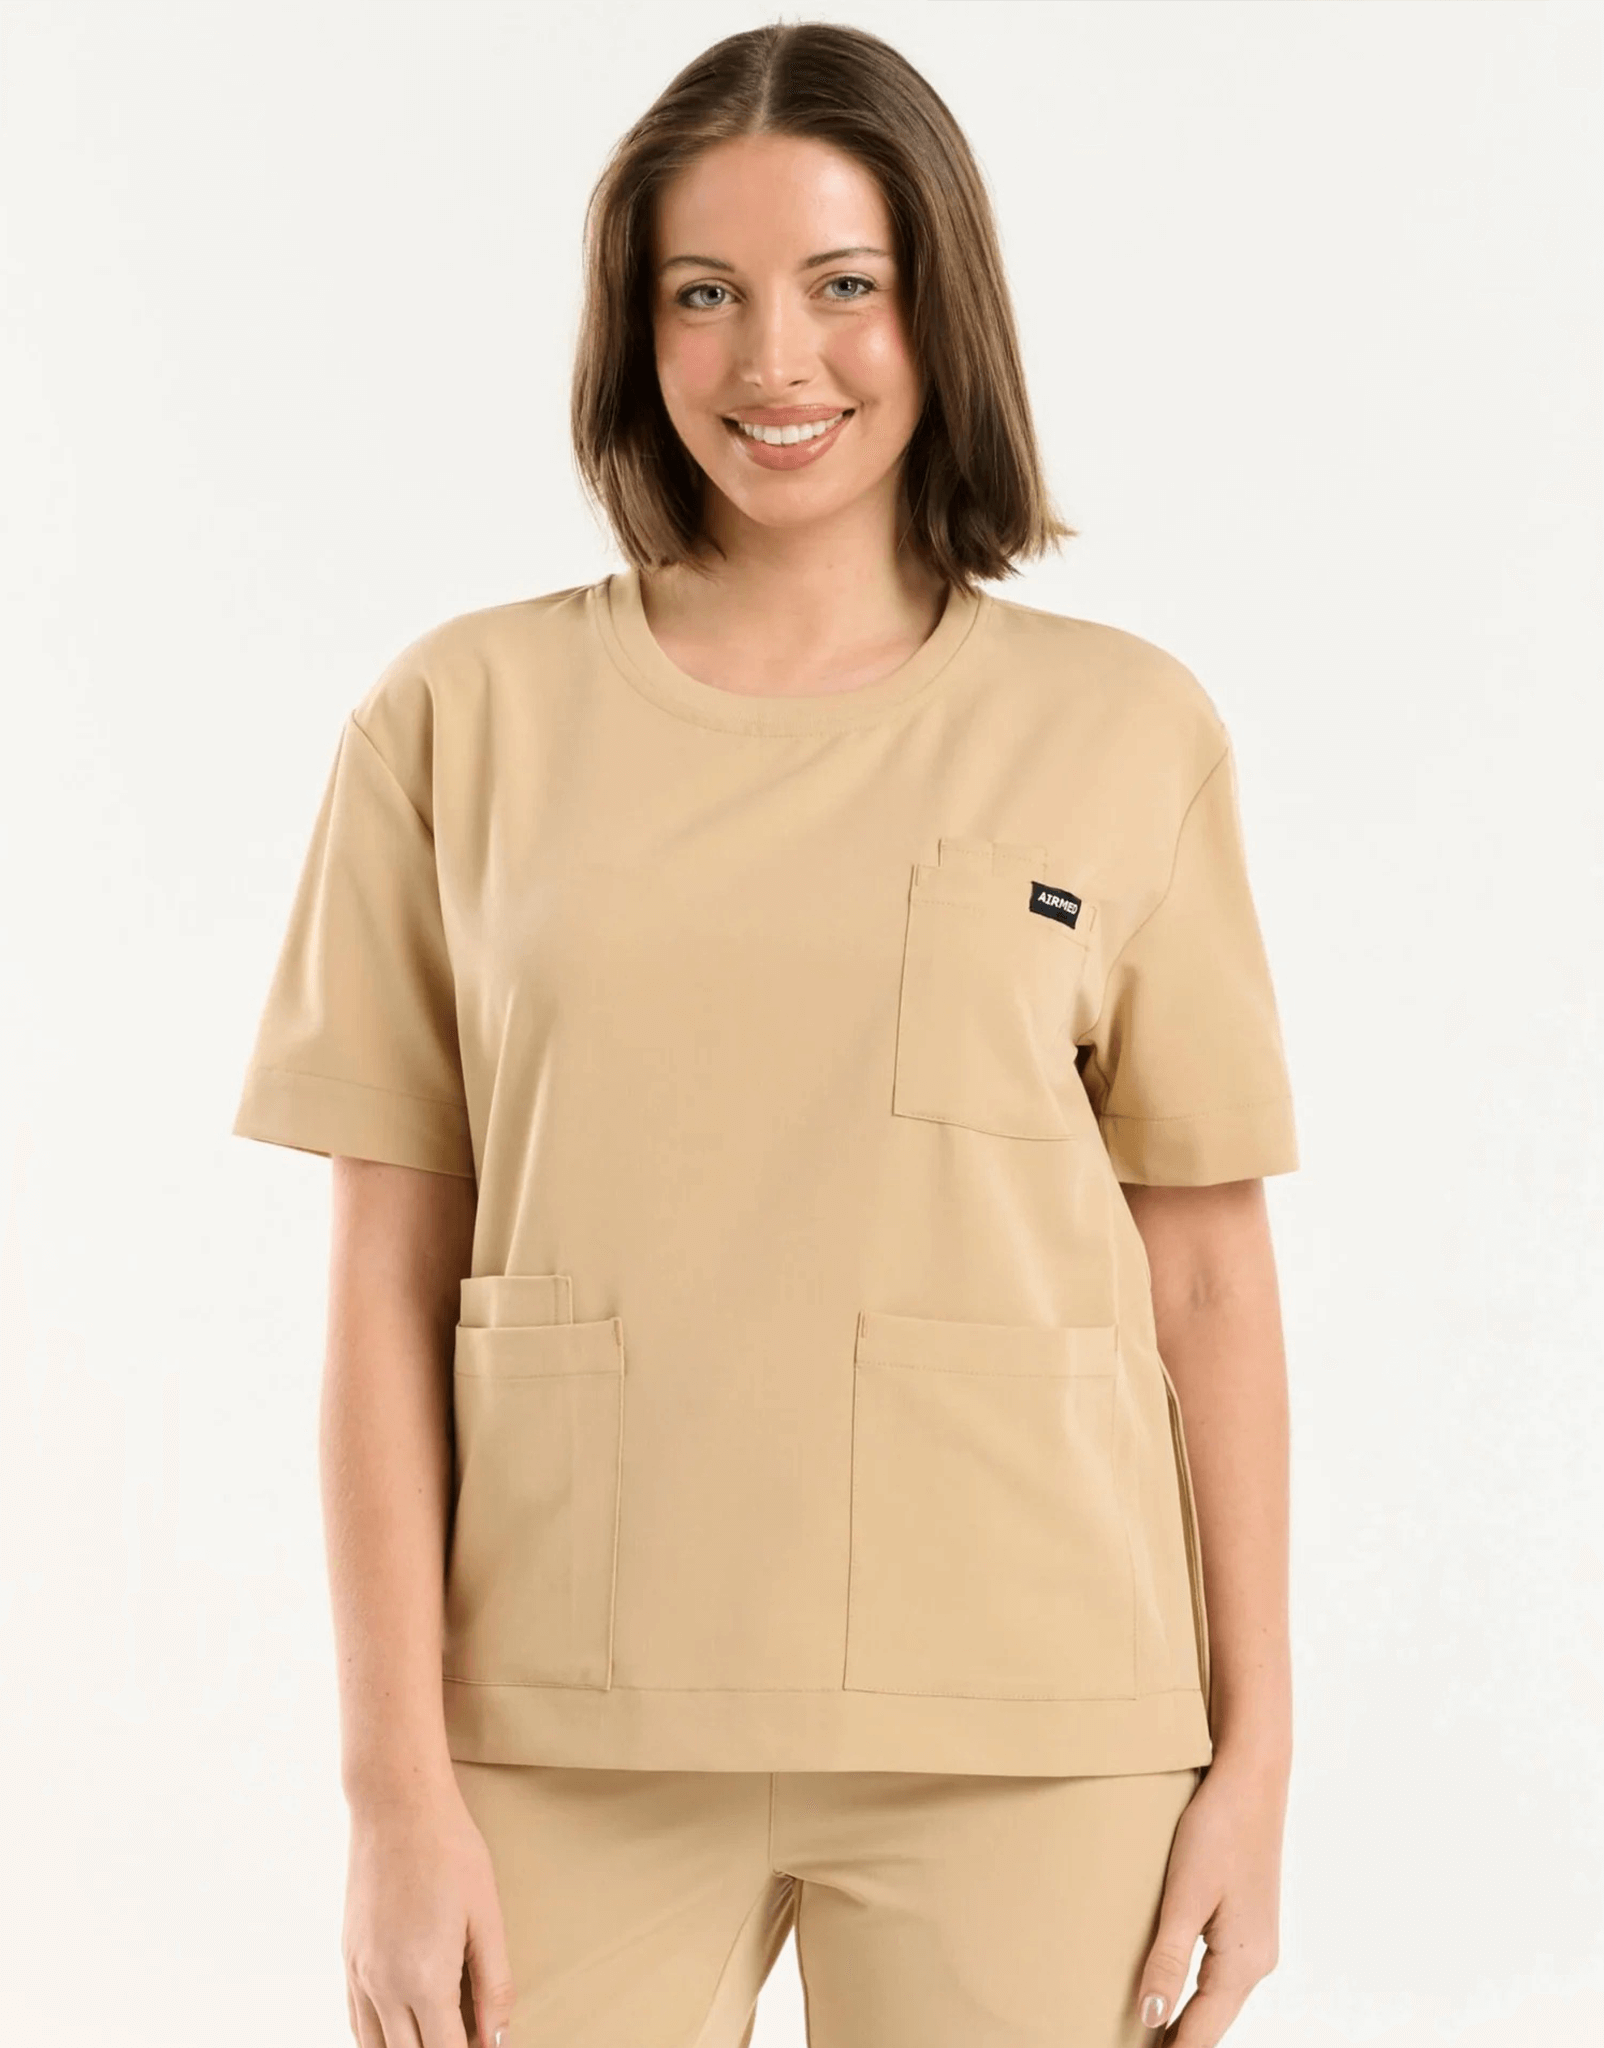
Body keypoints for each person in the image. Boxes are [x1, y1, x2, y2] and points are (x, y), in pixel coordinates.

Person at [231, 21, 1299, 2048]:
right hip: (558, 1721)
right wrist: (389, 1793)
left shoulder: (1125, 729)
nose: (772, 360)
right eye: (702, 292)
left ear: (940, 305)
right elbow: (383, 1279)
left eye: (842, 284)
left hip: (1034, 1722)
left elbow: (1207, 1279)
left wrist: (1254, 1761)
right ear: (632, 329)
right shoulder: (458, 719)